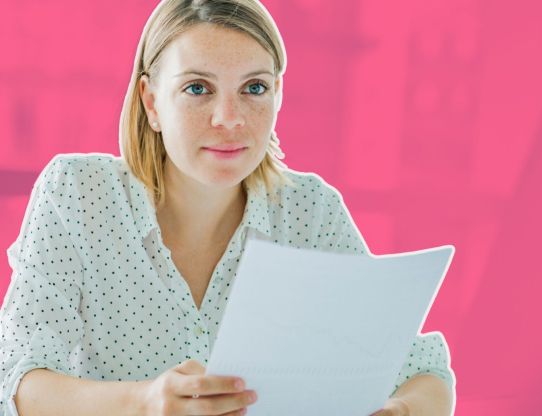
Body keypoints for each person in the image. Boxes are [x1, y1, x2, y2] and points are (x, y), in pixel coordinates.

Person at [0, 0, 455, 415]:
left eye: (253, 88)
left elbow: (422, 370)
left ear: (277, 94)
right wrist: (145, 403)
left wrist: (398, 412)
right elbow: (18, 380)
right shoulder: (78, 194)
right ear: (151, 102)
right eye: (198, 88)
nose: (230, 118)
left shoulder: (309, 212)